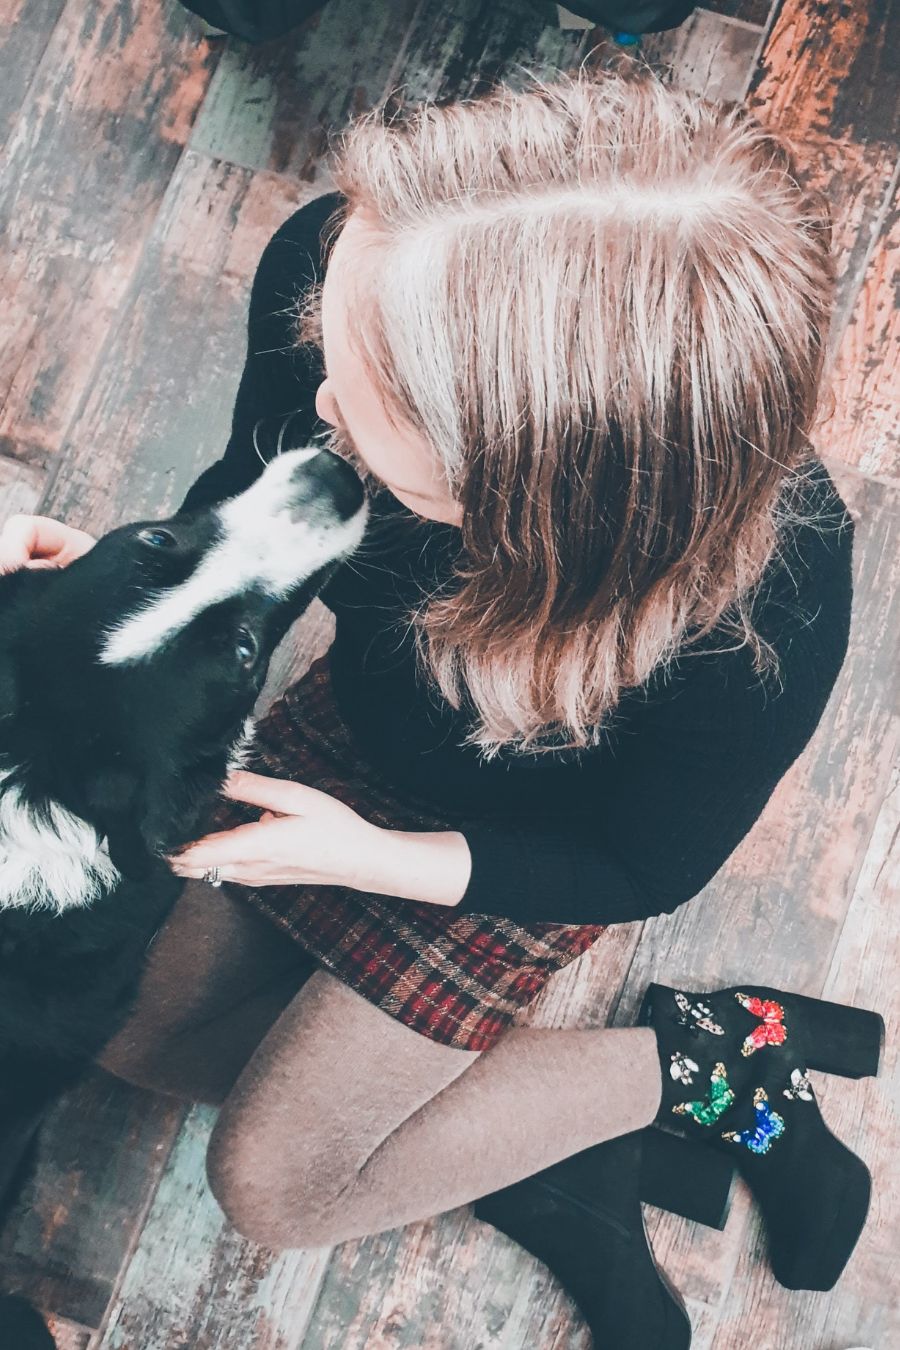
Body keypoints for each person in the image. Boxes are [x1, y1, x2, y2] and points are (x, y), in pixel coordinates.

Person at [1, 73, 881, 1348]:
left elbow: (641, 860)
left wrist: (364, 859)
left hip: (528, 853)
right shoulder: (355, 268)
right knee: (114, 1021)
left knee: (276, 1188)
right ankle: (521, 1149)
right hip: (348, 742)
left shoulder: (765, 603)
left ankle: (713, 1061)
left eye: (361, 412)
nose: (313, 406)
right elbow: (246, 488)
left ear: (523, 500)